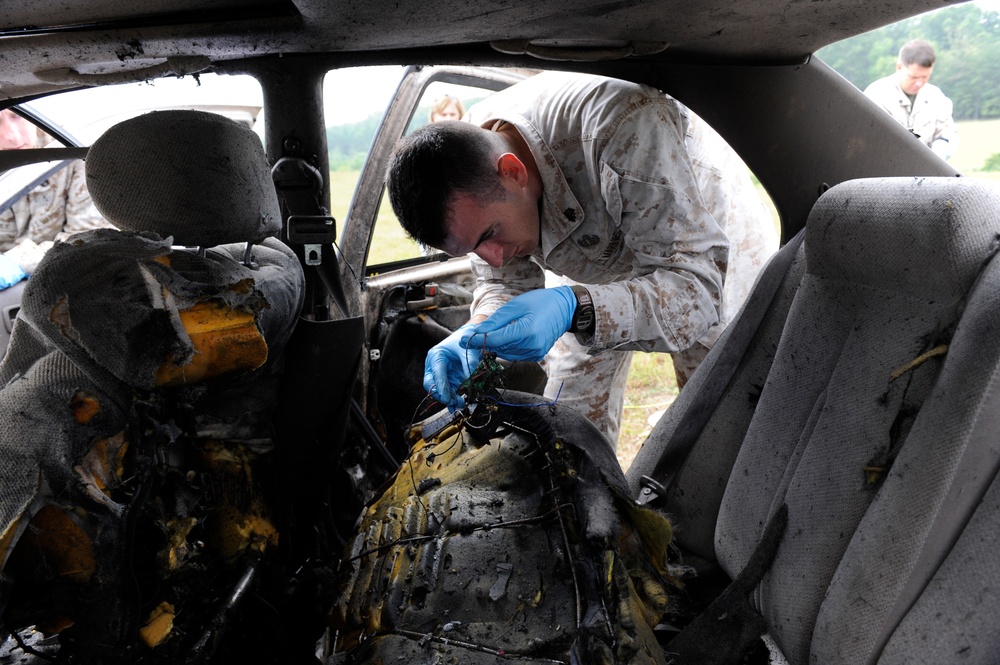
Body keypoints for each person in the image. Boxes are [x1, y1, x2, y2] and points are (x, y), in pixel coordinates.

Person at [387, 72, 777, 446]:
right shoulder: (462, 165)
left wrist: (576, 308)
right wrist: (479, 335)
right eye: (473, 249)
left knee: (715, 411)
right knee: (569, 416)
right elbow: (502, 282)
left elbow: (698, 295)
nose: (494, 257)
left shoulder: (622, 125)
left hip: (695, 246)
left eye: (489, 236)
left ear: (512, 171)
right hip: (592, 261)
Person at [0, 108, 110, 289]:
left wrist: (18, 262)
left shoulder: (69, 153)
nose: (13, 135)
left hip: (66, 280)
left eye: (17, 116)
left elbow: (87, 240)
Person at [864, 39, 958, 160]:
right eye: (913, 77)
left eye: (925, 77)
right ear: (899, 67)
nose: (919, 83)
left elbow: (947, 133)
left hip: (926, 172)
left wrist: (938, 154)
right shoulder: (876, 94)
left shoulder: (936, 96)